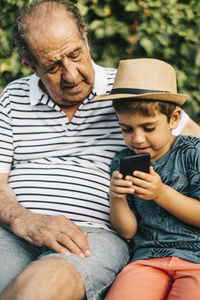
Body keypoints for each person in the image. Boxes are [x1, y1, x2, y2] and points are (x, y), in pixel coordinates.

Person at [0, 0, 199, 298]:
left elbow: (185, 140)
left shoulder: (128, 90)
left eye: (75, 54)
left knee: (39, 287)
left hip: (90, 236)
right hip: (13, 231)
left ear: (85, 37)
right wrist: (24, 220)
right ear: (32, 66)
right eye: (53, 66)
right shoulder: (12, 98)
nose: (71, 75)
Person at [95, 58, 200, 300]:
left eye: (149, 128)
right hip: (148, 260)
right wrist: (117, 198)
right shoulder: (123, 162)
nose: (137, 139)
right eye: (126, 129)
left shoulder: (193, 153)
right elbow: (128, 231)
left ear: (174, 119)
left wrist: (161, 194)